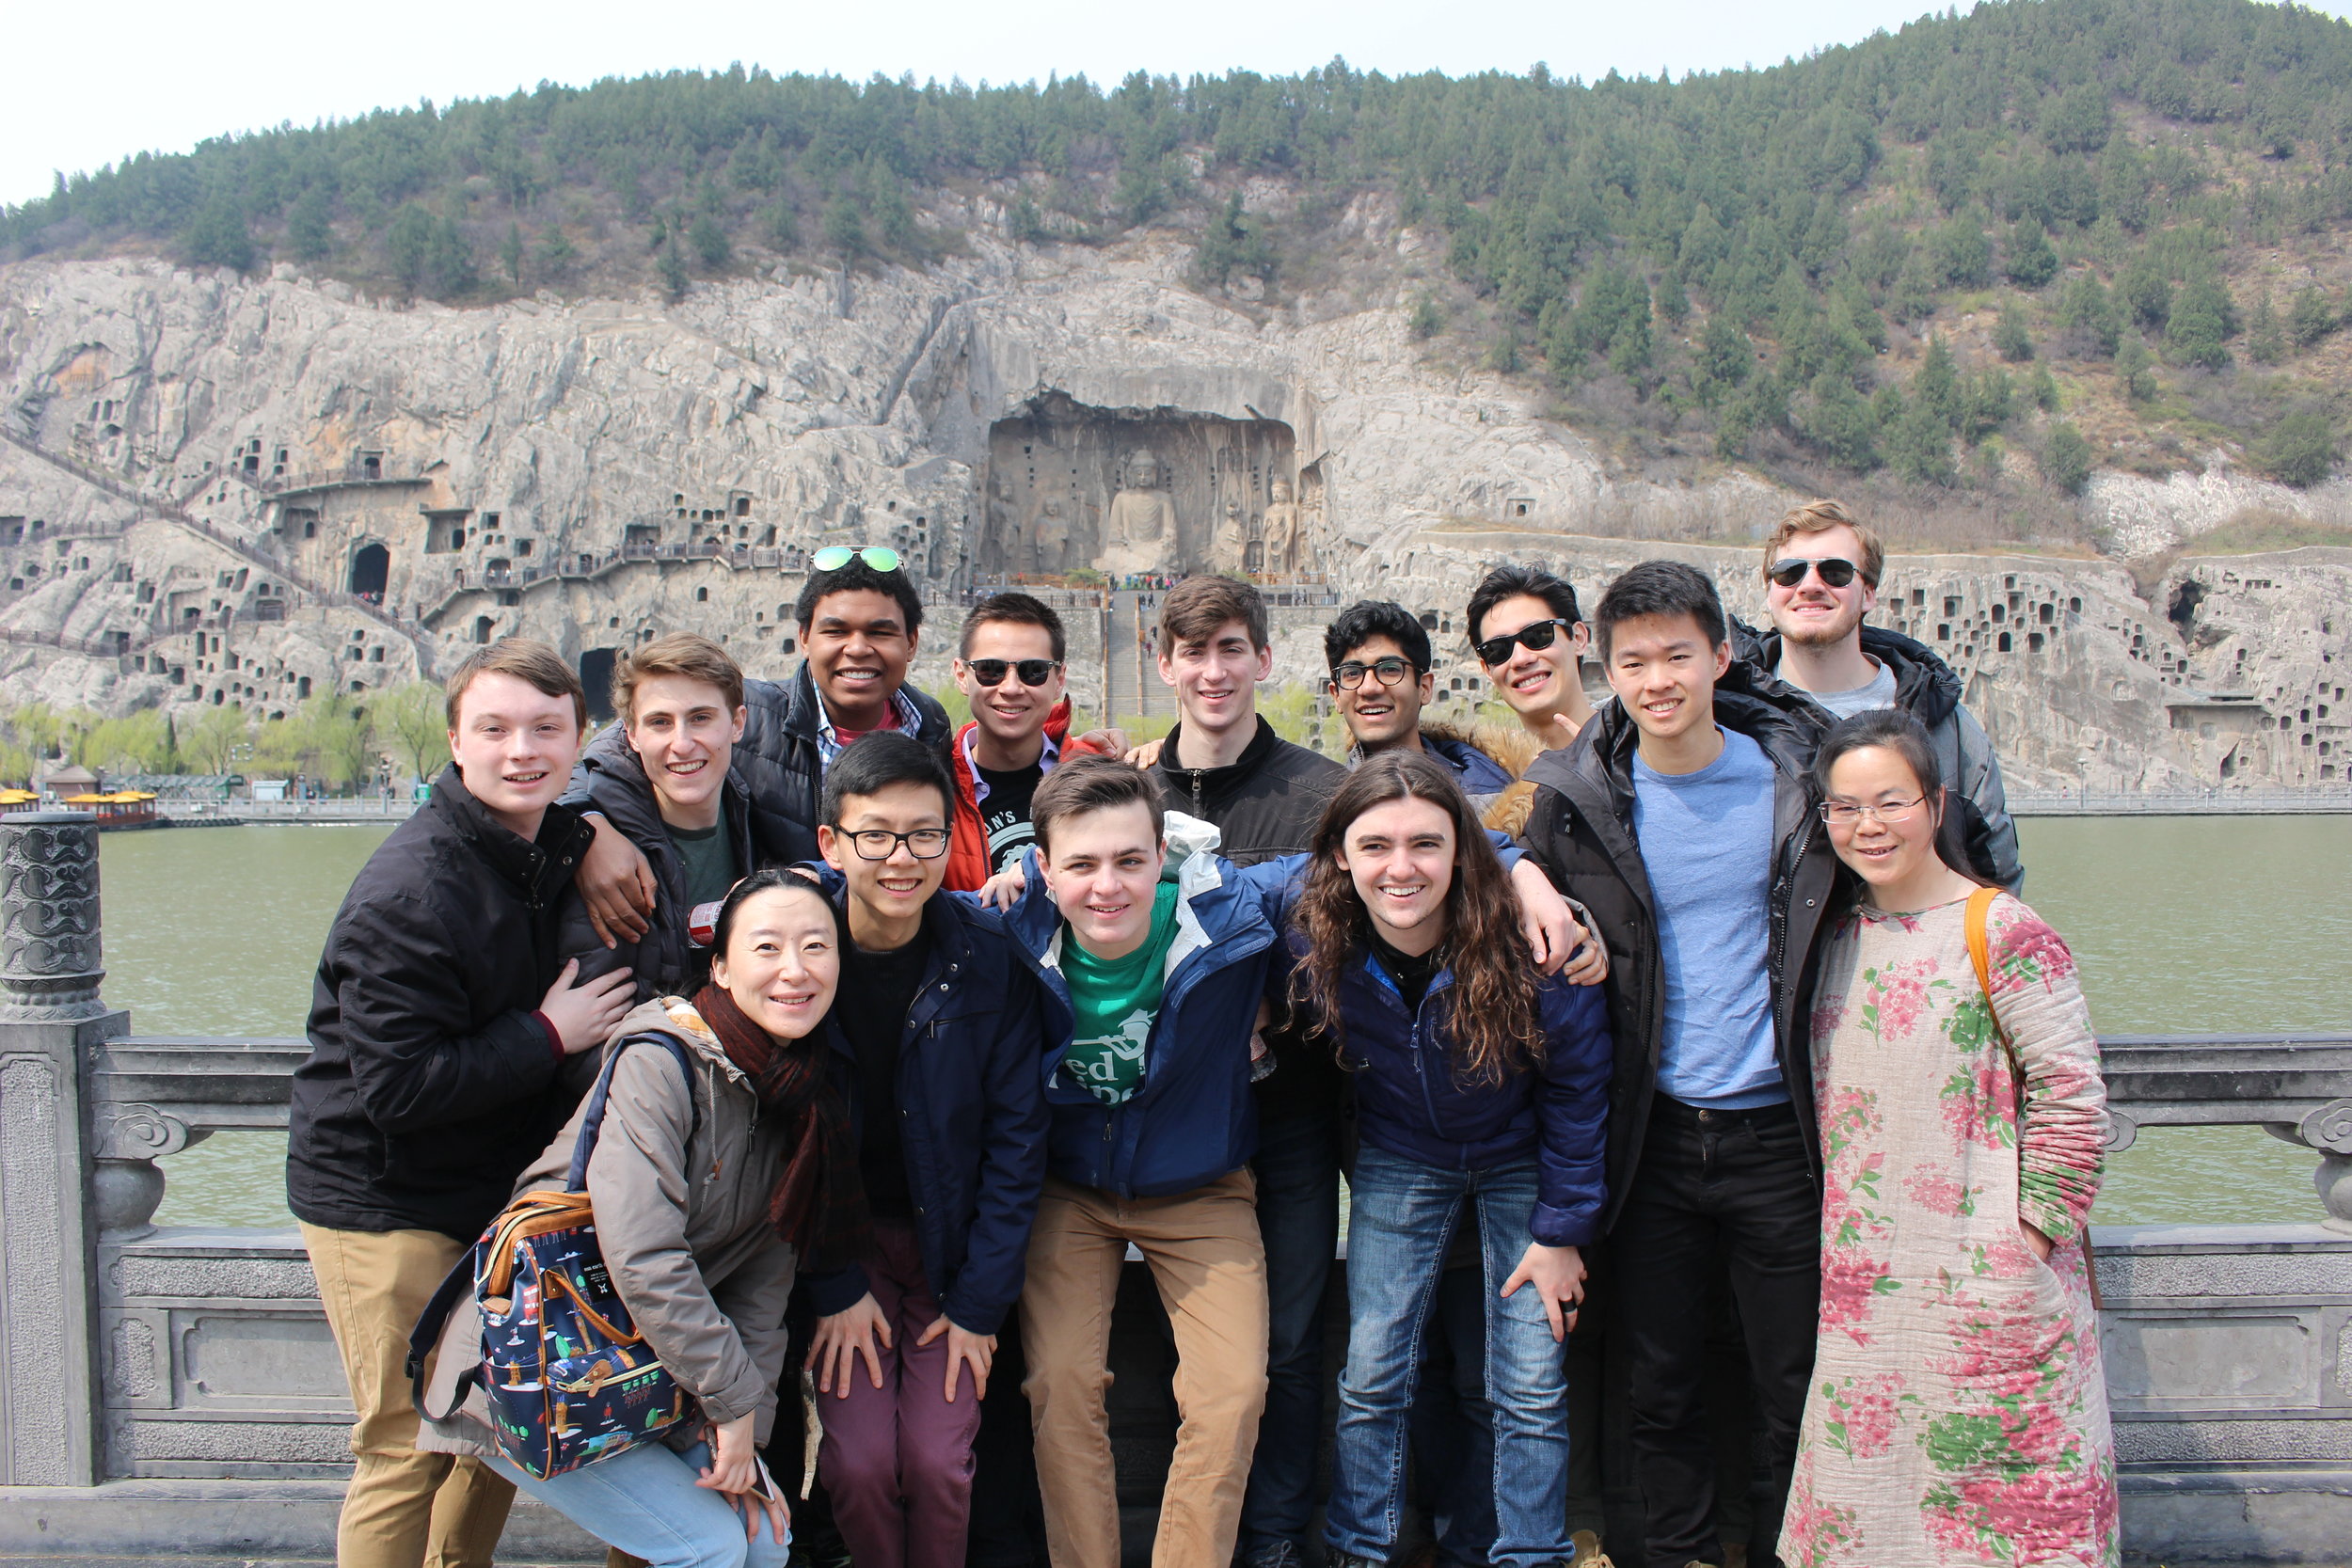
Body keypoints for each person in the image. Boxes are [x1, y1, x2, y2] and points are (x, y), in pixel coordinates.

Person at [984, 753, 1579, 1568]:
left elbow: (1367, 850)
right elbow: (875, 896)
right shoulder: (1008, 926)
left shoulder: (1231, 915)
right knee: (1061, 1385)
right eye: (1080, 864)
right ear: (1044, 867)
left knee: (1233, 1393)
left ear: (1164, 854)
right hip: (1073, 1187)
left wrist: (1522, 872)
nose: (1108, 885)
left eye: (1129, 859)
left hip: (1198, 1185)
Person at [288, 639, 638, 1568]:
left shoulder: (539, 840)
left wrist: (596, 830)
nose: (520, 750)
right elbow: (396, 1085)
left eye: (544, 729)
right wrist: (550, 1033)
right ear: (454, 739)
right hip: (385, 1197)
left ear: (579, 740)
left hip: (488, 1194)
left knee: (491, 1425)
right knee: (407, 1444)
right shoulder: (412, 889)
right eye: (494, 728)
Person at [1519, 561, 1836, 1568]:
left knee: (1793, 1376)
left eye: (1676, 655)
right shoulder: (1581, 797)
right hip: (1651, 1134)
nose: (1656, 679)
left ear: (1721, 655)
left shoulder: (1800, 780)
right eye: (1632, 661)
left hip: (1778, 1131)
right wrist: (1524, 873)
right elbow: (1498, 863)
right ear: (1602, 665)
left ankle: (1795, 1549)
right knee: (1659, 1381)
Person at [418, 870, 847, 1568]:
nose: (794, 970)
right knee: (708, 1546)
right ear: (723, 967)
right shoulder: (661, 1059)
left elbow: (762, 1290)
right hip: (537, 1364)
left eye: (816, 946)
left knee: (767, 1536)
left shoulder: (795, 1093)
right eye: (767, 947)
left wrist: (744, 1426)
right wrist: (731, 1406)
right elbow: (643, 1254)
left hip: (646, 1369)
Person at [1780, 709, 2114, 1568]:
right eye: (1845, 807)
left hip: (1984, 1275)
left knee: (2009, 1510)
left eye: (1890, 801)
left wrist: (2026, 1241)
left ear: (1935, 804)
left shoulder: (2001, 930)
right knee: (1870, 1507)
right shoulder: (1835, 935)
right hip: (1868, 1287)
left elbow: (2073, 1098)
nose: (1868, 825)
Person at [1286, 752, 1613, 1568]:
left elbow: (1579, 1086)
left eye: (1427, 844)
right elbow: (1197, 879)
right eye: (1376, 846)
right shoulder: (1314, 919)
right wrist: (1014, 889)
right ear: (1339, 856)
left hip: (1520, 1155)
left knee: (1528, 1379)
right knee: (1372, 1369)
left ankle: (1531, 1552)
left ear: (1462, 851)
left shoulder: (1533, 938)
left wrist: (1563, 1228)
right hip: (1405, 1153)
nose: (1402, 868)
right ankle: (1363, 1549)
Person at [797, 732, 1051, 1568]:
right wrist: (832, 1282)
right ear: (832, 842)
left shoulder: (986, 959)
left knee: (941, 1461)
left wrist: (981, 1302)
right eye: (877, 835)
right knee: (861, 1462)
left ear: (954, 835)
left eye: (925, 834)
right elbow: (774, 1134)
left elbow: (1019, 1144)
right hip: (842, 1246)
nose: (902, 858)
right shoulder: (797, 956)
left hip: (951, 1247)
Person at [1139, 574, 1347, 1568]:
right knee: (1202, 1352)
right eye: (1193, 652)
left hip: (1292, 1109)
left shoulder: (1320, 792)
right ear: (1164, 661)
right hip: (1175, 1120)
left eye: (1231, 648)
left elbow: (1356, 943)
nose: (1212, 670)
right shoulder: (1131, 793)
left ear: (1264, 657)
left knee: (1295, 1340)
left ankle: (1270, 1536)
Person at [570, 545, 954, 947]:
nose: (857, 648)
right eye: (836, 631)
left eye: (880, 632)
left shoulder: (929, 723)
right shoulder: (751, 713)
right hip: (781, 957)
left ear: (911, 642)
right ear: (804, 639)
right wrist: (591, 832)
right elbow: (595, 762)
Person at [1739, 499, 2023, 889]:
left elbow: (1995, 869)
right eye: (1790, 573)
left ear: (1869, 593)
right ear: (1770, 592)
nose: (1810, 585)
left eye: (1835, 572)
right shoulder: (1729, 715)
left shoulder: (1945, 726)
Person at [564, 633, 777, 997]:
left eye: (700, 718)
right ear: (631, 734)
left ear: (737, 723)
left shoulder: (761, 813)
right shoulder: (595, 848)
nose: (681, 743)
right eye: (660, 722)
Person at [945, 591, 1118, 892]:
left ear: (1059, 678)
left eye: (1033, 671)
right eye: (991, 670)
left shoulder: (1103, 772)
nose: (1011, 688)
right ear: (962, 675)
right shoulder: (932, 786)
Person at [1323, 599, 1519, 816]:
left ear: (1424, 687)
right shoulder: (1317, 804)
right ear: (1336, 696)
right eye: (1352, 673)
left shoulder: (1494, 795)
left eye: (1389, 669)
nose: (1369, 688)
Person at [1467, 564, 1597, 754]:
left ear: (1578, 638)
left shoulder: (1642, 748)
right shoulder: (1485, 778)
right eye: (1498, 650)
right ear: (1487, 669)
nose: (1521, 659)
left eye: (1537, 636)